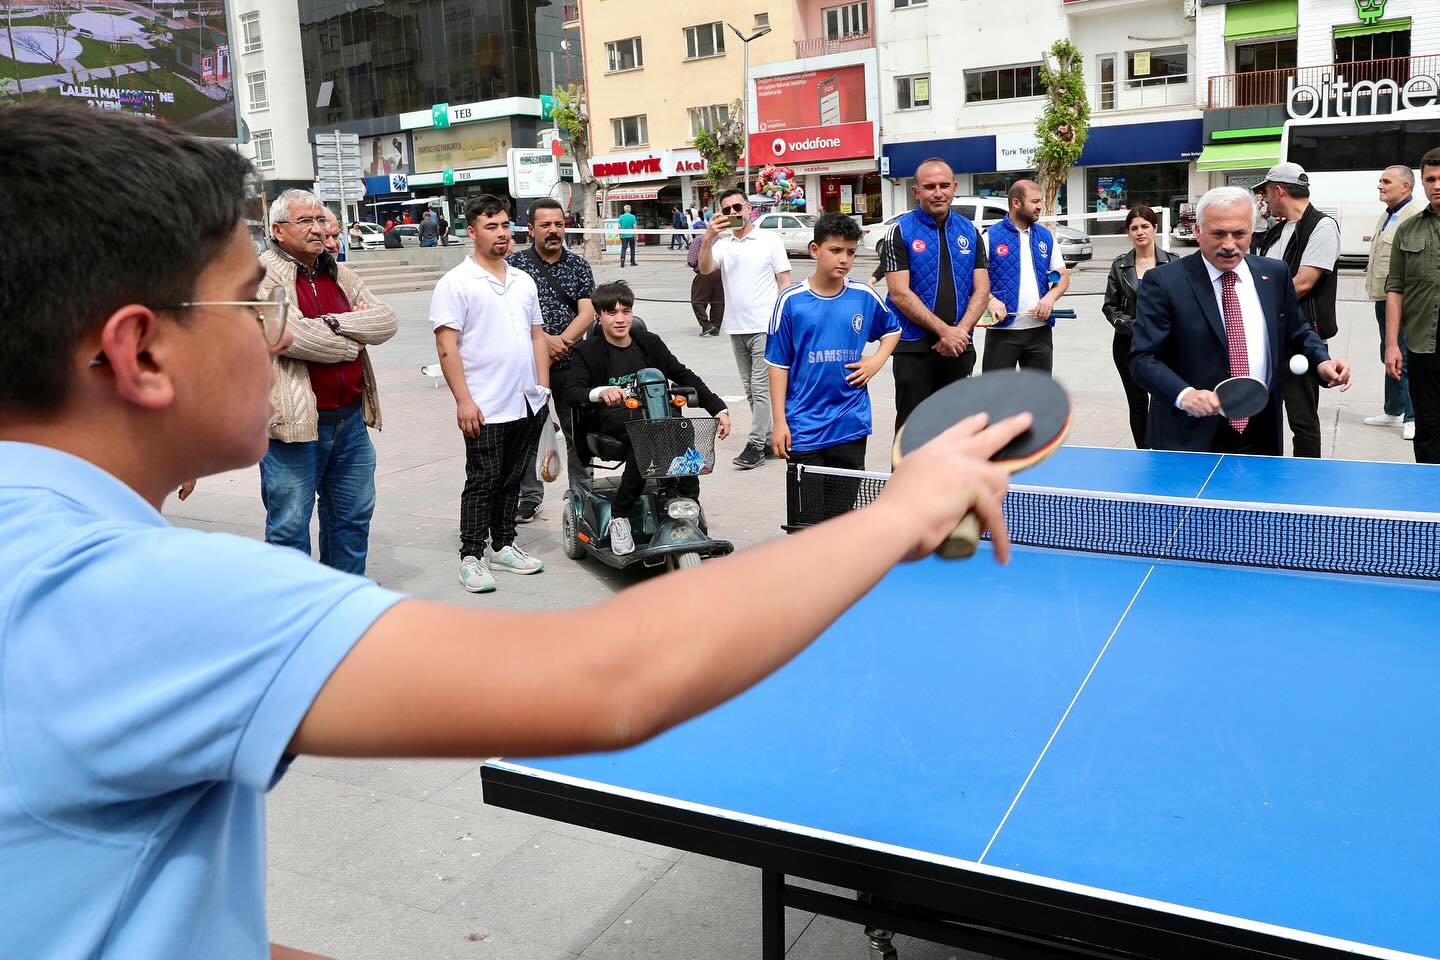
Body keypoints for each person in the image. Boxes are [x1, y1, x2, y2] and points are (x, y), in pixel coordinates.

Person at [0, 101, 1031, 959]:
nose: (277, 325)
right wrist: (900, 512)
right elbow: (610, 680)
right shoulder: (114, 594)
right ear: (138, 354)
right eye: (250, 299)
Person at [1130, 186, 1351, 455]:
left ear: (1251, 232)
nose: (1229, 245)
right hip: (1189, 436)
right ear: (1198, 231)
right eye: (1218, 234)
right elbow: (1142, 358)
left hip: (1260, 432)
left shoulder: (1275, 274)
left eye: (1239, 234)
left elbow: (1297, 331)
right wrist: (1184, 395)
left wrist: (1321, 361)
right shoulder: (1164, 282)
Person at [259, 189, 398, 576]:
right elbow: (284, 334)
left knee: (351, 521)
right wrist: (349, 343)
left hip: (350, 423)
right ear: (278, 230)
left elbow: (386, 321)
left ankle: (344, 602)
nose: (318, 229)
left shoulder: (339, 272)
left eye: (321, 220)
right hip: (292, 429)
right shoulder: (261, 274)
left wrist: (332, 323)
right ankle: (295, 616)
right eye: (306, 221)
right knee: (289, 530)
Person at [430, 194, 551, 593]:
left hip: (526, 400)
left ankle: (503, 543)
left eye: (504, 225)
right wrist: (464, 400)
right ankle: (471, 554)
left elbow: (537, 335)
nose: (502, 234)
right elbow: (447, 346)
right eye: (491, 227)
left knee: (514, 477)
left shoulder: (522, 280)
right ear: (472, 232)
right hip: (484, 404)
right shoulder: (456, 283)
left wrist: (543, 385)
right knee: (483, 480)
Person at [566, 281, 732, 555]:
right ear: (599, 316)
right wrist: (600, 392)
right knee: (644, 435)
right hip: (614, 419)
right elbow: (573, 392)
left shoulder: (649, 343)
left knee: (682, 428)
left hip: (657, 417)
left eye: (626, 311)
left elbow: (684, 375)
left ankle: (687, 500)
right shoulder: (587, 351)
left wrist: (718, 408)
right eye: (612, 313)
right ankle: (619, 517)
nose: (620, 319)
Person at [768, 214, 901, 523]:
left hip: (849, 423)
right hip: (804, 425)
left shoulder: (864, 296)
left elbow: (892, 330)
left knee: (842, 515)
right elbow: (778, 364)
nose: (844, 259)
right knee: (809, 519)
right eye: (836, 250)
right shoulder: (790, 301)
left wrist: (876, 360)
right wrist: (779, 421)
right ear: (815, 250)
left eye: (851, 252)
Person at [881, 158, 989, 429]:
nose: (938, 192)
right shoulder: (899, 231)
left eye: (944, 185)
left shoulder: (970, 232)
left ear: (954, 187)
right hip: (913, 349)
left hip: (959, 347)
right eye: (930, 186)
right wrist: (945, 331)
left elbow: (982, 289)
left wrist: (959, 332)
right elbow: (899, 294)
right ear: (916, 191)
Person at [507, 197, 597, 522]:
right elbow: (511, 314)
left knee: (577, 432)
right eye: (545, 225)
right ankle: (529, 497)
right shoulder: (515, 267)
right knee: (527, 433)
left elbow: (588, 311)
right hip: (529, 364)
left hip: (572, 363)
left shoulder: (578, 266)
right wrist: (545, 342)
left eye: (558, 224)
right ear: (531, 229)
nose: (553, 230)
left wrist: (563, 342)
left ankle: (582, 495)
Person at [698, 188, 793, 469]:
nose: (733, 213)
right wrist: (709, 236)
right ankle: (767, 440)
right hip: (737, 327)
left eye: (737, 207)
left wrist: (784, 322)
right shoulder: (724, 244)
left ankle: (755, 445)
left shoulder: (769, 240)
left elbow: (784, 281)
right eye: (726, 210)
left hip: (766, 326)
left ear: (749, 208)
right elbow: (705, 269)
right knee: (751, 390)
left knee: (762, 388)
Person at [1256, 162, 1340, 458]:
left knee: (1302, 420)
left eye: (1266, 192)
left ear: (1279, 190)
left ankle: (1308, 485)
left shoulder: (1322, 226)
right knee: (1261, 415)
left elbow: (1303, 282)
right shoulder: (1273, 231)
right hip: (1267, 336)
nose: (1263, 199)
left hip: (1302, 338)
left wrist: (1256, 299)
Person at [1102, 205, 1178, 449]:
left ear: (1155, 228)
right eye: (1134, 228)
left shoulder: (1173, 262)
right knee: (1137, 401)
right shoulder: (1120, 266)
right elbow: (1110, 307)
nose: (1140, 232)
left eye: (1145, 226)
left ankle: (1166, 449)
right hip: (1128, 344)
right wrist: (1134, 327)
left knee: (1165, 399)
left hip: (1166, 345)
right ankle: (1143, 451)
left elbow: (1182, 303)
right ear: (1128, 233)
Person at [1385, 148, 1440, 464]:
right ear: (1421, 183)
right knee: (1428, 428)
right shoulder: (1408, 229)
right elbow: (1395, 289)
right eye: (1430, 179)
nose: (1437, 185)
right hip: (1422, 348)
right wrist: (1392, 345)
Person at [983, 179, 1071, 373]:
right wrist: (990, 301)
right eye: (1035, 201)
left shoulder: (1046, 236)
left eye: (1040, 201)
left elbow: (1063, 276)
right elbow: (975, 281)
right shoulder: (989, 237)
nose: (1040, 206)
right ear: (1016, 203)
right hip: (1002, 332)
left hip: (1040, 332)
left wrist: (1050, 298)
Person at [1365, 164, 1421, 440]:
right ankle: (1393, 409)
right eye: (1380, 180)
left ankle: (1412, 416)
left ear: (1406, 186)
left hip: (1404, 302)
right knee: (1388, 355)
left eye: (1386, 181)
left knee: (1404, 357)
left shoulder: (1415, 216)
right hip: (1382, 299)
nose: (1380, 185)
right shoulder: (1388, 215)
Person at [688, 209, 724, 336]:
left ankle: (706, 325)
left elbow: (691, 261)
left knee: (696, 300)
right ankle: (716, 327)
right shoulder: (721, 241)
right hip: (720, 274)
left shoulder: (698, 240)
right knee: (718, 301)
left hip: (704, 273)